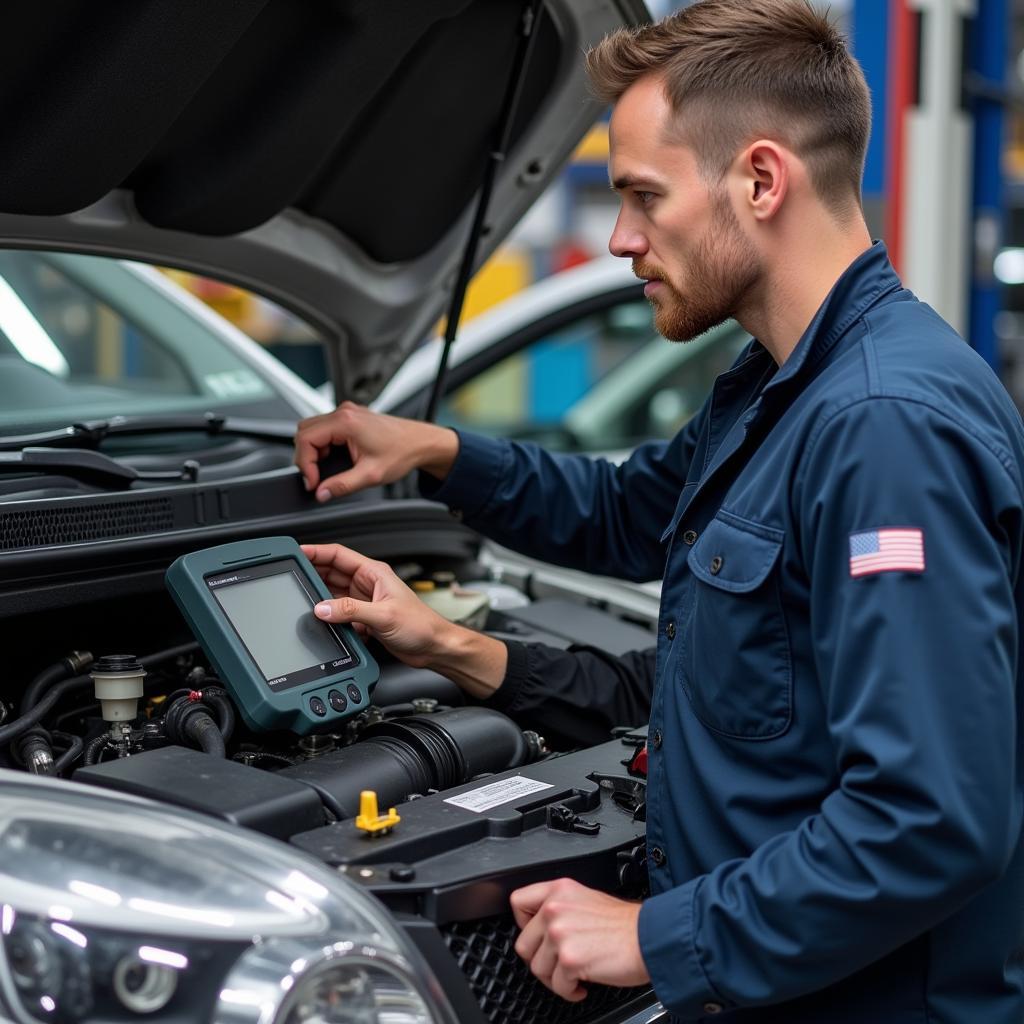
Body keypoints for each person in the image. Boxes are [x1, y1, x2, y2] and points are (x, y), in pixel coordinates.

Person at [293, 1, 1024, 1020]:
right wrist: (436, 456)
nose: (621, 239)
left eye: (642, 195)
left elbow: (930, 819)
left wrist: (656, 935)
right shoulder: (776, 389)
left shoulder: (880, 427)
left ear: (761, 180)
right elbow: (627, 515)